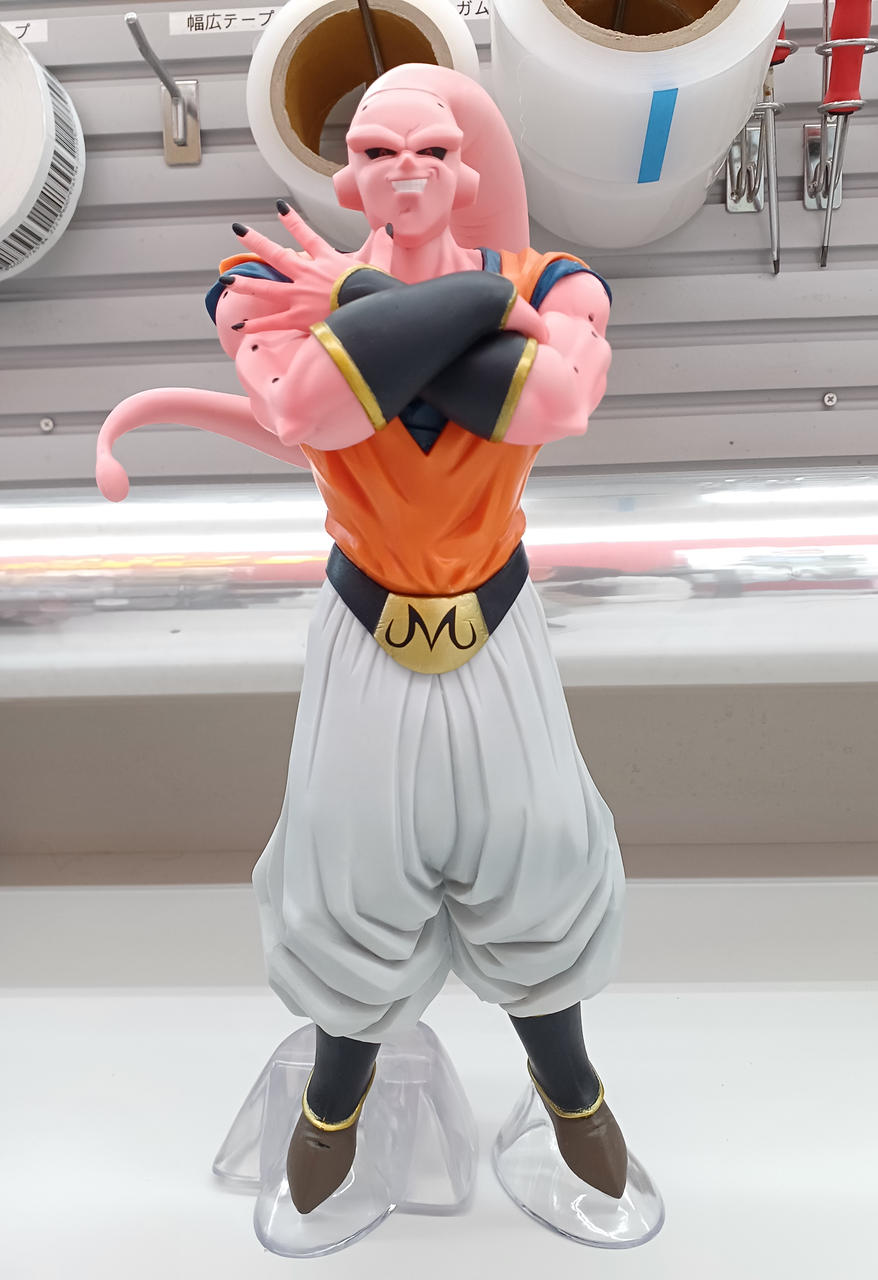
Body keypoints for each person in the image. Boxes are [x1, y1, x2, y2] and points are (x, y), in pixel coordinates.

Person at [97, 63, 628, 1213]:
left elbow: (556, 404)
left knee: (540, 858)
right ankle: (335, 1095)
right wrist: (471, 313)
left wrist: (358, 304)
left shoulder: (556, 279)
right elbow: (307, 410)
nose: (408, 172)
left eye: (432, 150)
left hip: (500, 630)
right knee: (347, 873)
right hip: (365, 632)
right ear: (349, 178)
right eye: (380, 152)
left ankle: (569, 1081)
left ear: (465, 171)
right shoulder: (262, 281)